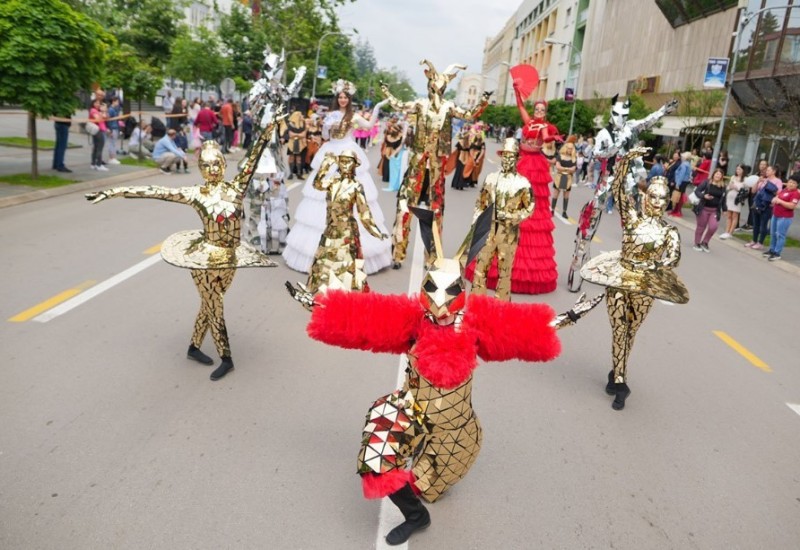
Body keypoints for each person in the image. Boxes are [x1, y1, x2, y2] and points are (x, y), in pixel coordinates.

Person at [287, 208, 601, 546]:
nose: (439, 308)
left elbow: (521, 328)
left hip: (456, 432)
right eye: (432, 293)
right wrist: (320, 308)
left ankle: (424, 490)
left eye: (449, 295)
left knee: (427, 489)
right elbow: (366, 319)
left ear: (461, 293)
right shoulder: (413, 318)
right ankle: (416, 517)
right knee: (375, 459)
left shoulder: (476, 320)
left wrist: (566, 318)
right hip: (415, 410)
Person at [85, 113, 282, 382]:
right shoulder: (194, 194)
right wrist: (113, 191)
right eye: (207, 165)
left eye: (217, 164)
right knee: (215, 304)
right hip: (205, 259)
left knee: (210, 303)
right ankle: (227, 357)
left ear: (224, 164)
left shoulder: (237, 188)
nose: (212, 169)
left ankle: (193, 347)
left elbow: (255, 154)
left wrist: (269, 127)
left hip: (230, 258)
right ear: (201, 168)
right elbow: (156, 191)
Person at [581, 149, 689, 410]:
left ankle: (615, 372)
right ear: (645, 197)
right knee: (619, 329)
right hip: (619, 279)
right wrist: (626, 161)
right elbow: (617, 190)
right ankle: (621, 382)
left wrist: (655, 265)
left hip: (645, 285)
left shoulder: (669, 231)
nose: (657, 203)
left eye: (663, 199)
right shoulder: (631, 219)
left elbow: (673, 257)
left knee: (630, 332)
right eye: (653, 197)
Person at [380, 60, 490, 269]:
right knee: (404, 207)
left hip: (437, 166)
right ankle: (398, 253)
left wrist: (482, 102)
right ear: (429, 86)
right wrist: (387, 93)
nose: (437, 91)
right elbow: (400, 105)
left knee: (436, 211)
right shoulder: (420, 105)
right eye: (434, 86)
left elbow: (469, 115)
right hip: (418, 163)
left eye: (440, 87)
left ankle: (432, 256)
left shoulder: (448, 107)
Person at [282, 80, 392, 275]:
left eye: (345, 97)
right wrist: (326, 124)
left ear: (349, 100)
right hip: (330, 153)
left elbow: (368, 126)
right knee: (321, 197)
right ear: (337, 98)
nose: (342, 100)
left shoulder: (354, 116)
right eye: (340, 97)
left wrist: (376, 107)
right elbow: (325, 135)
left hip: (348, 152)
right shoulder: (330, 115)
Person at [466, 79, 557, 294]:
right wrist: (517, 90)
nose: (539, 112)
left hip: (534, 164)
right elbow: (520, 107)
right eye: (537, 108)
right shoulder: (529, 122)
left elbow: (546, 138)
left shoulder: (543, 127)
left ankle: (513, 271)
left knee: (528, 205)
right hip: (522, 159)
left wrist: (553, 135)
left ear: (546, 112)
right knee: (506, 195)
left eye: (542, 110)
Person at [301, 150, 388, 293]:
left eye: (349, 162)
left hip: (347, 231)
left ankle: (345, 297)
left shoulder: (356, 186)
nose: (345, 165)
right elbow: (317, 184)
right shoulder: (332, 182)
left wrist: (376, 232)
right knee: (323, 260)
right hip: (330, 229)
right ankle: (315, 290)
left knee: (346, 265)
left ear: (354, 165)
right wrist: (325, 164)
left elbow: (364, 213)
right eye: (342, 161)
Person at [469, 138, 534, 300]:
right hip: (487, 230)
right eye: (505, 156)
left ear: (517, 159)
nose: (507, 160)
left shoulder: (523, 183)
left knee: (504, 272)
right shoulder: (490, 178)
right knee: (480, 267)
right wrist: (475, 223)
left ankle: (501, 309)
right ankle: (477, 304)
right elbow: (480, 203)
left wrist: (512, 217)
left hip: (508, 233)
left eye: (511, 157)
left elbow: (529, 208)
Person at [764, 172, 800, 261]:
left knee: (780, 235)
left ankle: (777, 253)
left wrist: (780, 201)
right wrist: (774, 199)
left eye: (793, 183)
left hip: (785, 217)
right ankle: (772, 250)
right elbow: (777, 197)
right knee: (773, 233)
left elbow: (792, 205)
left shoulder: (795, 193)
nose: (791, 184)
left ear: (797, 185)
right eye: (790, 182)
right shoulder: (785, 190)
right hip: (776, 215)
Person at [747, 165, 783, 250]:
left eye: (769, 170)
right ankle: (754, 240)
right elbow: (753, 191)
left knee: (763, 224)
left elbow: (778, 193)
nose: (766, 172)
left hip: (767, 205)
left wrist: (768, 184)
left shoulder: (778, 181)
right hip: (758, 203)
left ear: (774, 171)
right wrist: (757, 181)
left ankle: (760, 242)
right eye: (766, 170)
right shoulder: (763, 180)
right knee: (756, 224)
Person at [691, 167, 726, 252]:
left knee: (713, 227)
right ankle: (697, 243)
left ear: (721, 177)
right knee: (701, 227)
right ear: (713, 174)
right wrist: (704, 196)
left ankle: (705, 242)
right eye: (716, 174)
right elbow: (697, 191)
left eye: (720, 175)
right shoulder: (707, 182)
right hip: (703, 208)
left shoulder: (723, 186)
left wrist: (724, 209)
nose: (718, 176)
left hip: (714, 210)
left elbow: (724, 199)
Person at [720, 163, 748, 239]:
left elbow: (745, 191)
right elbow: (728, 188)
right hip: (730, 197)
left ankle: (731, 232)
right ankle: (726, 231)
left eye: (739, 169)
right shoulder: (733, 177)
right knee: (729, 215)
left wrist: (737, 188)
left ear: (743, 170)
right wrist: (730, 187)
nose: (738, 170)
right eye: (737, 169)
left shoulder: (745, 179)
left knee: (734, 216)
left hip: (737, 199)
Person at [553, 137, 577, 218]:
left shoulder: (574, 158)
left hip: (568, 178)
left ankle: (564, 212)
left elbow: (573, 169)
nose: (569, 150)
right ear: (565, 148)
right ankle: (552, 210)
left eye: (571, 149)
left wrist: (565, 169)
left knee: (566, 196)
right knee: (556, 194)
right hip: (559, 177)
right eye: (568, 148)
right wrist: (567, 169)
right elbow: (558, 166)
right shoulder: (560, 156)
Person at [378, 118, 403, 185]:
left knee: (386, 163)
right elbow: (398, 145)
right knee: (390, 164)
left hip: (387, 150)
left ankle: (385, 177)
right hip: (393, 151)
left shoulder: (388, 136)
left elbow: (386, 142)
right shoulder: (399, 137)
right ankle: (389, 177)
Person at [668, 151, 693, 217]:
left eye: (682, 156)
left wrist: (678, 183)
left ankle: (676, 211)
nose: (681, 157)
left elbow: (681, 174)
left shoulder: (684, 164)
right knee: (680, 196)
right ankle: (677, 210)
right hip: (685, 182)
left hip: (681, 181)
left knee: (677, 197)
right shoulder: (688, 164)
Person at [286, 110, 308, 180]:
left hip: (300, 143)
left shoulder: (303, 124)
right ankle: (291, 173)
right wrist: (299, 135)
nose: (302, 116)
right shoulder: (290, 124)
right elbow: (290, 134)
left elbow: (304, 134)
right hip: (292, 143)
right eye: (300, 115)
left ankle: (299, 173)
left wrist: (296, 135)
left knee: (299, 158)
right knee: (291, 157)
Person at [88, 98, 108, 171]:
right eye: (96, 103)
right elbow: (98, 118)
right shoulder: (93, 110)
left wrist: (104, 111)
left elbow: (106, 117)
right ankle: (99, 164)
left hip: (100, 130)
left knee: (96, 147)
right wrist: (102, 112)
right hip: (97, 130)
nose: (98, 104)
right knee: (99, 147)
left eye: (99, 103)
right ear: (93, 104)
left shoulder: (97, 111)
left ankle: (93, 164)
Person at [106, 97, 122, 165]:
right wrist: (110, 129)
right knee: (112, 143)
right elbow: (109, 120)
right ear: (113, 101)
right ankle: (111, 158)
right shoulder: (111, 110)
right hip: (112, 128)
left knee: (113, 143)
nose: (118, 103)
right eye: (117, 102)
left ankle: (113, 157)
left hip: (115, 127)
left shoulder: (115, 109)